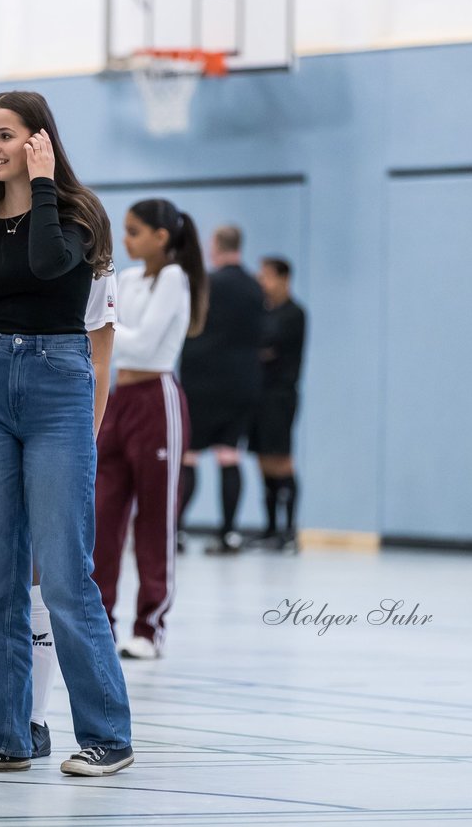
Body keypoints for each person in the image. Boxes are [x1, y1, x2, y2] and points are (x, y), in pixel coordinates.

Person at [0, 90, 134, 777]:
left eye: (5, 135)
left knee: (64, 574)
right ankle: (7, 733)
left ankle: (107, 734)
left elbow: (54, 269)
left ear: (39, 140)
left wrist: (45, 183)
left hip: (56, 386)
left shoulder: (77, 214)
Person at [0, 272, 116, 758]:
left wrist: (84, 443)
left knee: (54, 576)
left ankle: (36, 720)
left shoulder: (80, 234)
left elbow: (98, 354)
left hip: (58, 416)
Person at [91, 198, 208, 661]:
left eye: (135, 231)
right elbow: (108, 330)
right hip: (118, 401)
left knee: (156, 518)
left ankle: (150, 625)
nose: (126, 239)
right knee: (103, 513)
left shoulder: (175, 279)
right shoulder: (130, 278)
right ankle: (100, 619)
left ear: (162, 237)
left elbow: (141, 341)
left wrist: (105, 332)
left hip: (158, 402)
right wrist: (105, 331)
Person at [178, 224, 266, 555]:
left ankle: (176, 531)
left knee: (190, 456)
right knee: (229, 455)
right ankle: (229, 533)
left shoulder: (208, 284)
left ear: (215, 247)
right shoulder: (256, 288)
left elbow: (189, 328)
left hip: (202, 383)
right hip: (243, 383)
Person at [250, 256, 306, 551]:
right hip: (259, 394)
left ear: (284, 279)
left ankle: (290, 529)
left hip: (280, 396)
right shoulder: (263, 311)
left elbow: (268, 345)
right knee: (262, 459)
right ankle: (270, 528)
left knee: (281, 459)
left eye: (267, 277)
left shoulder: (294, 313)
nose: (262, 282)